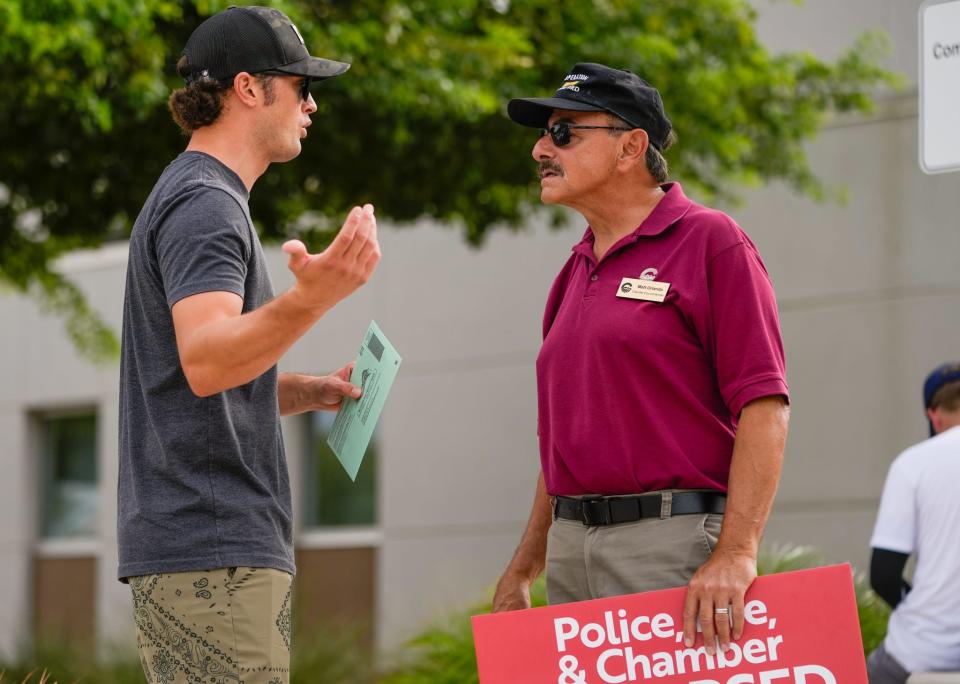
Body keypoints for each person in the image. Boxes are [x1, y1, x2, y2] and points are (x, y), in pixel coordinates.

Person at [491, 63, 790, 657]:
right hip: (573, 550)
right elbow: (562, 445)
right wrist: (527, 566)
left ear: (631, 147)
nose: (540, 149)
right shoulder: (572, 272)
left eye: (564, 133)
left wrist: (735, 552)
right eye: (545, 133)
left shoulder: (712, 242)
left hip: (671, 545)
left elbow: (764, 405)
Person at [118, 6, 380, 683]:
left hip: (200, 548)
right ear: (247, 88)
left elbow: (190, 375)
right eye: (301, 86)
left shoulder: (196, 194)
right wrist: (314, 297)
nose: (312, 104)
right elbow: (205, 363)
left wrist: (297, 390)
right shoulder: (206, 202)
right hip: (213, 548)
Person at [867, 363, 960, 683]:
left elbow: (883, 574)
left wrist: (923, 612)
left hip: (921, 653)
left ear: (934, 416)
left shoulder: (914, 463)